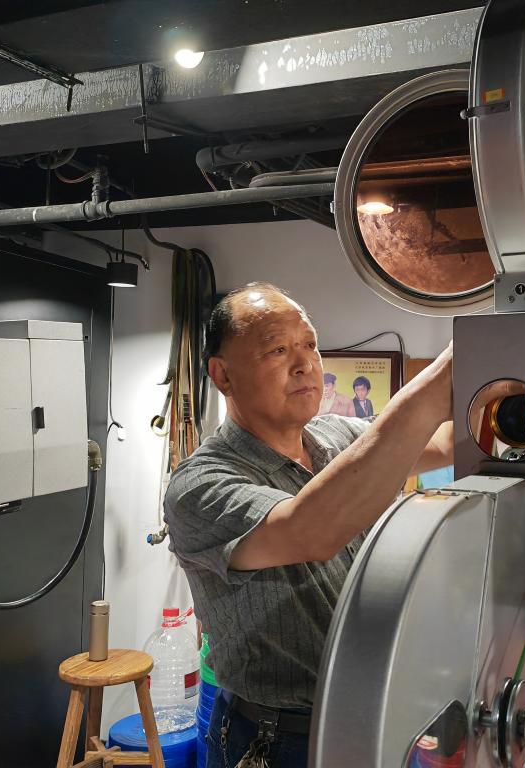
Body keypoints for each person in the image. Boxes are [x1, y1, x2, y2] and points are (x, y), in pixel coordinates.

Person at [164, 282, 453, 768]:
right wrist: (443, 374)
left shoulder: (334, 435)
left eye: (310, 345)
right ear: (222, 375)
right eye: (277, 350)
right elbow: (310, 530)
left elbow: (439, 446)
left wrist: (502, 393)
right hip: (278, 740)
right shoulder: (199, 485)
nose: (304, 364)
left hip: (374, 719)